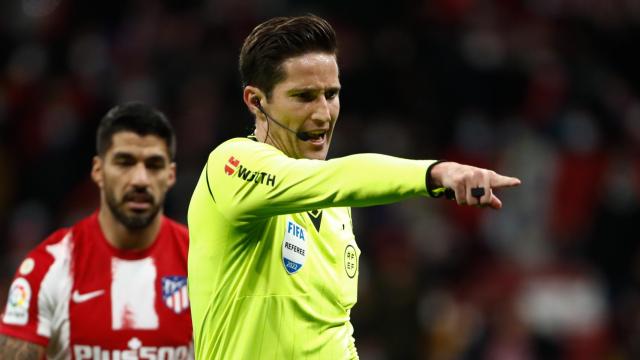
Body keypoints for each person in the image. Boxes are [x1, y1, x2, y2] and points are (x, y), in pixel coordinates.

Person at [187, 15, 521, 359]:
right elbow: (339, 178)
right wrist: (436, 173)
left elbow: (334, 331)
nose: (323, 113)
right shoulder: (231, 165)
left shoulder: (335, 208)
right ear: (256, 101)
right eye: (304, 96)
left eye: (331, 95)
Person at [0, 103, 193, 359]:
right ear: (98, 170)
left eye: (154, 165)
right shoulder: (48, 267)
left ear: (170, 175)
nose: (139, 179)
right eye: (124, 162)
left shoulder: (201, 261)